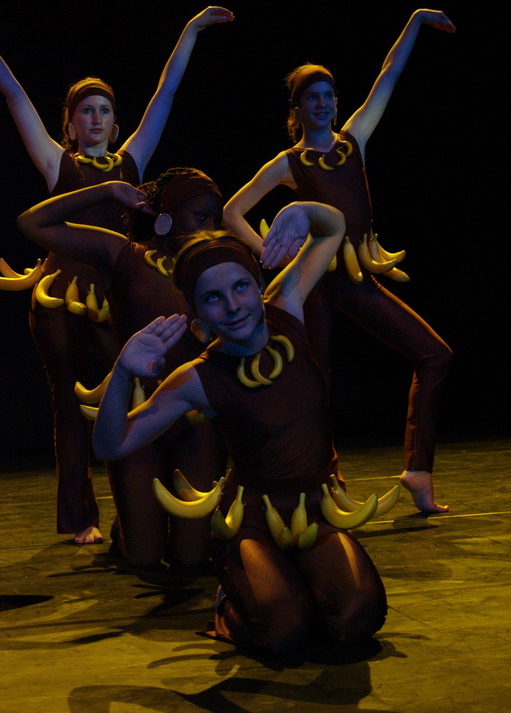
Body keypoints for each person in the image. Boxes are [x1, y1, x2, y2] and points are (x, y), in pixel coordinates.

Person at [90, 199, 388, 659]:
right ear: (197, 314)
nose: (232, 305)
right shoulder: (196, 377)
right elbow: (112, 443)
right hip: (250, 522)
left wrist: (304, 209)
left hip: (316, 511)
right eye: (213, 298)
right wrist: (123, 373)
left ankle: (294, 583)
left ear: (258, 286)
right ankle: (228, 602)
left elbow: (332, 229)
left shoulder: (287, 308)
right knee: (282, 634)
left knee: (358, 621)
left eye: (241, 287)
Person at [1, 5, 234, 543]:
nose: (96, 118)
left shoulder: (131, 163)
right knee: (67, 401)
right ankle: (79, 518)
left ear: (115, 121)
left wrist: (190, 31)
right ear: (70, 124)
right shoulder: (58, 163)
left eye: (104, 110)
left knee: (132, 391)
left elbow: (165, 94)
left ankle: (142, 507)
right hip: (59, 296)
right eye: (85, 111)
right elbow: (12, 93)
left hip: (116, 296)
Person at [222, 8, 455, 514]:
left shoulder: (353, 141)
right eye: (313, 97)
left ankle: (417, 470)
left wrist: (415, 22)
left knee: (434, 354)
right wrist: (266, 252)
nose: (324, 104)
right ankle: (323, 481)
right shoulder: (288, 163)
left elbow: (388, 74)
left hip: (356, 274)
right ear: (297, 107)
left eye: (329, 96)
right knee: (315, 381)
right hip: (317, 282)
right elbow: (231, 212)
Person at [17, 168, 229, 569]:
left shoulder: (215, 264)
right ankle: (129, 529)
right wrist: (104, 191)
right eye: (201, 217)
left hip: (197, 419)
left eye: (216, 220)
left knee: (191, 560)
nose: (210, 229)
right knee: (144, 558)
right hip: (136, 418)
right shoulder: (122, 253)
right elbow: (32, 222)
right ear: (164, 216)